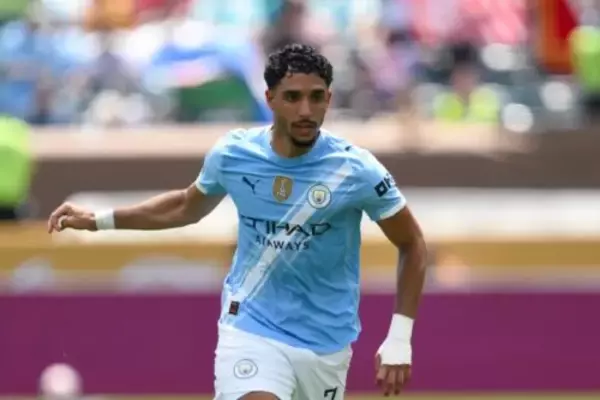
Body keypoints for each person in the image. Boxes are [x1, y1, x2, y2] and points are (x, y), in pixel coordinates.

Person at [47, 43, 427, 400]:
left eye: (316, 97)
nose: (305, 110)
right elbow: (185, 206)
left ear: (329, 99)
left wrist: (400, 337)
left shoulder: (356, 170)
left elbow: (411, 243)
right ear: (270, 98)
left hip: (325, 342)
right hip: (250, 324)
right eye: (292, 97)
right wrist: (98, 220)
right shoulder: (234, 154)